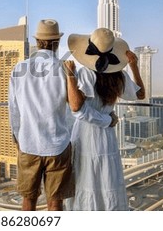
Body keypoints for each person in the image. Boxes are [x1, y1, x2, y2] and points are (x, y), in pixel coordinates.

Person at [8, 19, 116, 211]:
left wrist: (17, 138)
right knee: (56, 201)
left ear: (38, 41)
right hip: (58, 146)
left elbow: (13, 109)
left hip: (28, 144)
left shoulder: (19, 69)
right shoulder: (65, 69)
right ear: (57, 43)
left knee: (28, 200)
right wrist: (107, 119)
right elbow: (78, 106)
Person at [64, 27, 145, 211]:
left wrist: (70, 75)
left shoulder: (85, 73)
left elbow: (77, 108)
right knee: (106, 177)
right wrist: (133, 66)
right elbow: (141, 94)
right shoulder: (120, 76)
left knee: (86, 177)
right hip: (106, 136)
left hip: (86, 133)